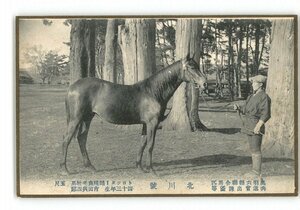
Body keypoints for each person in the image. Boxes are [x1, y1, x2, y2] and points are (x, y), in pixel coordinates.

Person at [233, 75, 271, 177]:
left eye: (254, 83)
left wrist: (259, 125)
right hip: (248, 125)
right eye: (253, 82)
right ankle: (254, 171)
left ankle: (256, 172)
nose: (252, 84)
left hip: (256, 125)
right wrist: (238, 108)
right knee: (252, 148)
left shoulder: (264, 97)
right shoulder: (251, 96)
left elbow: (266, 113)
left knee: (256, 149)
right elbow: (245, 109)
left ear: (261, 85)